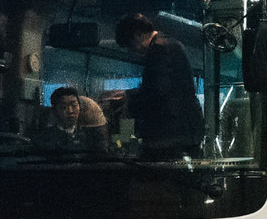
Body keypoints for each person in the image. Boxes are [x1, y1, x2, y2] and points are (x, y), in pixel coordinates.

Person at [115, 13, 204, 160]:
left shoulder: (159, 49)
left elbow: (158, 90)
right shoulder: (169, 44)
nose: (132, 52)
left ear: (138, 35)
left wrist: (129, 97)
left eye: (130, 46)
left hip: (170, 135)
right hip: (184, 132)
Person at [36, 86, 107, 152]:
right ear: (55, 111)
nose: (70, 111)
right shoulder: (46, 138)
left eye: (74, 105)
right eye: (64, 107)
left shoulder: (89, 136)